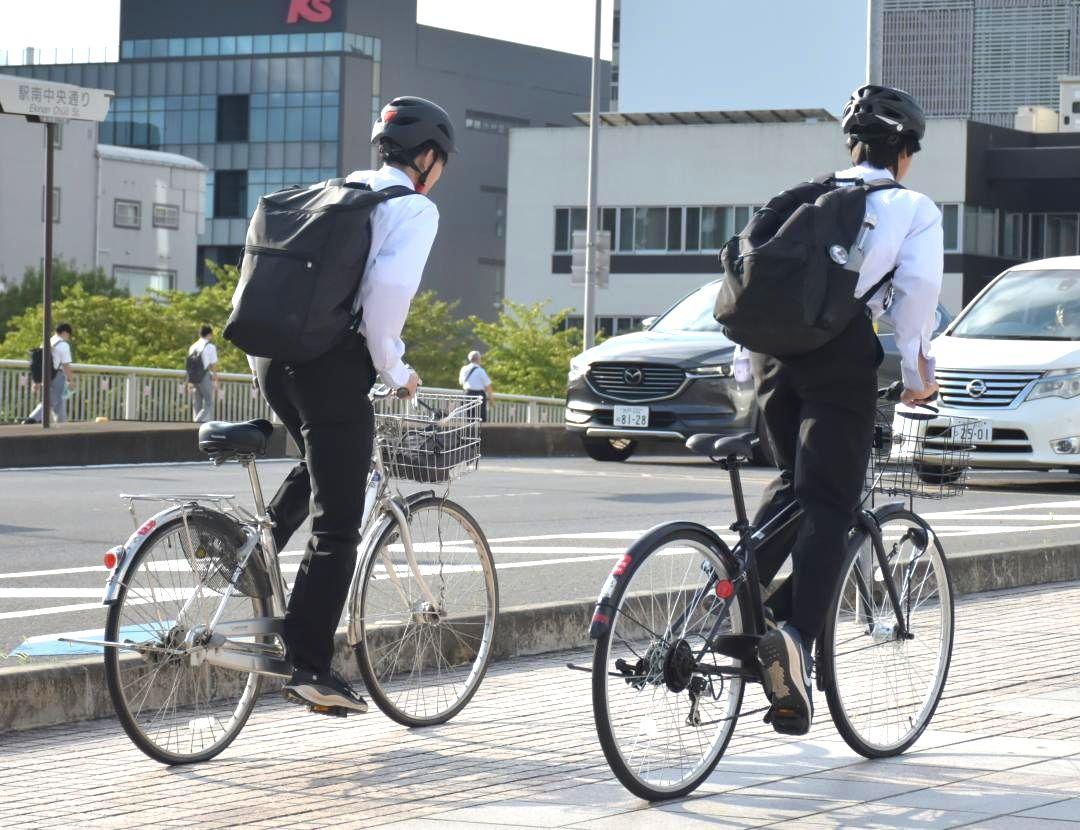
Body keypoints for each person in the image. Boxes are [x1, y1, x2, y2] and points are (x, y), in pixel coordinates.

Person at [752, 84, 943, 736]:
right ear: (905, 153)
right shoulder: (908, 206)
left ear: (852, 143)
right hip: (839, 359)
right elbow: (914, 295)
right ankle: (797, 640)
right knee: (832, 502)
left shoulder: (805, 195)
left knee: (794, 488)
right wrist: (919, 377)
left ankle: (734, 598)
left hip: (772, 359)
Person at [252, 96, 453, 714]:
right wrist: (396, 370)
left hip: (271, 358)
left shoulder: (343, 189)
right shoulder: (413, 207)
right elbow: (387, 294)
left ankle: (247, 552)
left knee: (322, 465)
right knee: (339, 522)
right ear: (426, 157)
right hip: (331, 367)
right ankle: (308, 665)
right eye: (441, 159)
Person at [25, 322, 75, 424]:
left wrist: (37, 381)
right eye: (68, 335)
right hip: (57, 374)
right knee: (54, 401)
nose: (68, 338)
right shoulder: (63, 345)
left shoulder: (47, 341)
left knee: (55, 400)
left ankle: (61, 422)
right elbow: (66, 365)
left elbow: (39, 362)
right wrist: (71, 380)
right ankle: (33, 419)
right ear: (65, 332)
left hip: (45, 375)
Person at [187, 325, 220, 423]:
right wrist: (216, 379)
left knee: (197, 400)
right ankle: (198, 421)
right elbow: (213, 364)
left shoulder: (193, 346)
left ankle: (194, 422)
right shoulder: (210, 347)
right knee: (209, 401)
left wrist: (189, 380)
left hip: (193, 377)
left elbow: (189, 365)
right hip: (204, 376)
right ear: (209, 334)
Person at [459, 350, 493, 421]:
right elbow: (488, 386)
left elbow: (461, 382)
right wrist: (491, 399)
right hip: (479, 395)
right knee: (481, 418)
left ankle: (469, 431)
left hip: (467, 394)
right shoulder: (480, 370)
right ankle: (481, 432)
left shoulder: (464, 369)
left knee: (469, 417)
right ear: (478, 359)